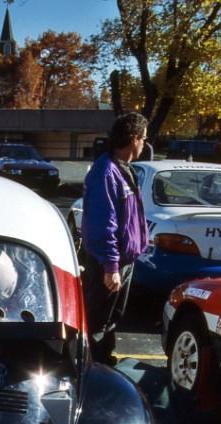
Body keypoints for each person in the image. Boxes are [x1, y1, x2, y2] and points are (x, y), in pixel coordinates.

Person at [80, 112, 149, 366]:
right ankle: (91, 369)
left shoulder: (124, 169)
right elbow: (103, 223)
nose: (144, 144)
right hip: (109, 263)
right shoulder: (105, 172)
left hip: (123, 260)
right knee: (98, 320)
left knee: (112, 318)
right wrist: (111, 267)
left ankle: (104, 363)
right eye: (143, 139)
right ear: (133, 139)